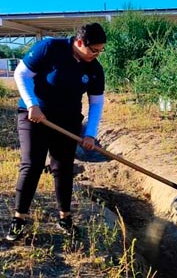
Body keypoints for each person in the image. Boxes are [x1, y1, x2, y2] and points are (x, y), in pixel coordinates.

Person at [7, 23, 107, 241]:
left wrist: (89, 134)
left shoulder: (94, 69)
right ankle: (19, 219)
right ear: (79, 42)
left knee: (63, 166)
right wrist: (32, 104)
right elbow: (21, 74)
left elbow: (96, 103)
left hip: (67, 121)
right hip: (34, 115)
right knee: (32, 164)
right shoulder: (49, 48)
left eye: (100, 50)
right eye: (94, 50)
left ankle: (65, 218)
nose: (96, 55)